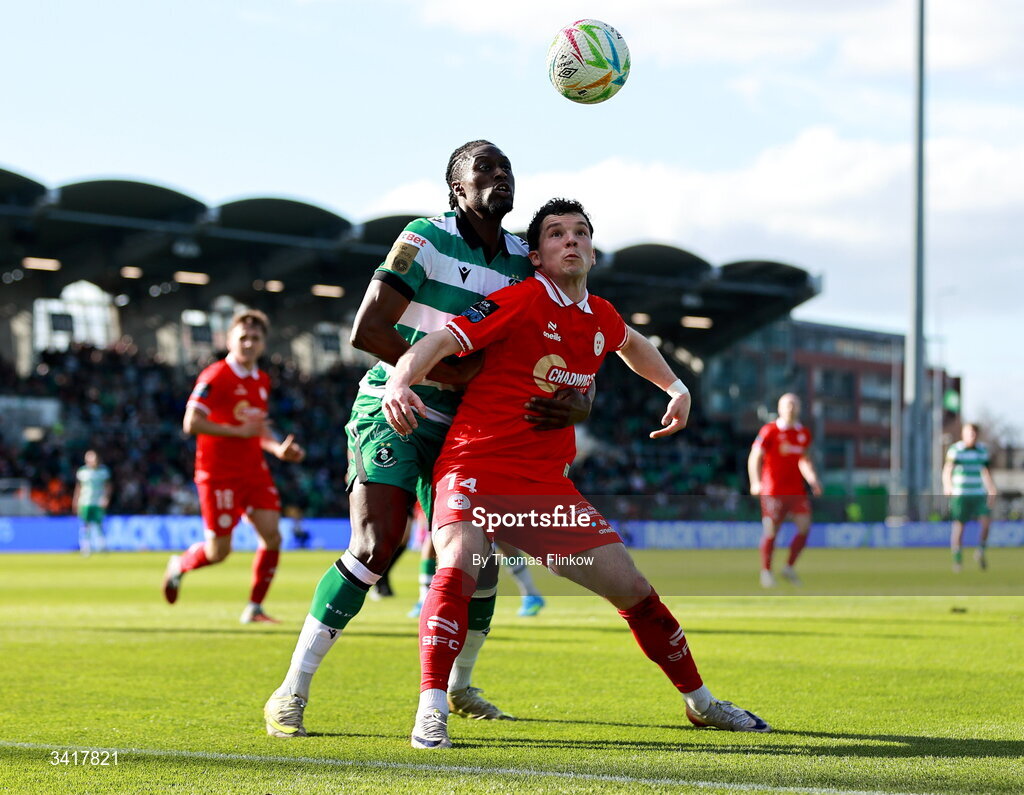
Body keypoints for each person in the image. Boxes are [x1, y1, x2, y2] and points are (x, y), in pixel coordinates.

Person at [382, 198, 770, 749]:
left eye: (581, 233)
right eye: (557, 234)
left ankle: (702, 704)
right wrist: (400, 381)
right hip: (476, 465)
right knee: (459, 565)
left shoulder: (600, 316)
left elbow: (632, 345)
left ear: (592, 249)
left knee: (634, 589)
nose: (571, 241)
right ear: (536, 257)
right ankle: (432, 707)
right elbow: (443, 340)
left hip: (544, 487)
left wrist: (677, 388)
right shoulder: (518, 299)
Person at [263, 142, 592, 738]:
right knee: (375, 544)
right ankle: (292, 690)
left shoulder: (527, 258)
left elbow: (568, 327)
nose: (500, 175)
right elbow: (368, 329)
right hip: (394, 407)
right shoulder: (425, 237)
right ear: (456, 189)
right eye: (484, 168)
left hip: (471, 430)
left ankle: (462, 686)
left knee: (482, 559)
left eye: (507, 168)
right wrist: (446, 373)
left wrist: (580, 395)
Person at [162, 309, 306, 623]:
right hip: (217, 474)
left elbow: (258, 428)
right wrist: (235, 432)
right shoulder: (215, 376)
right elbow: (191, 422)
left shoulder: (262, 380)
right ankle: (180, 565)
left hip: (254, 471)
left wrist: (277, 449)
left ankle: (254, 608)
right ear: (229, 340)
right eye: (243, 337)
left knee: (272, 536)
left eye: (255, 338)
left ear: (263, 344)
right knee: (219, 552)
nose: (249, 343)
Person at [747, 393, 822, 588]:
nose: (791, 408)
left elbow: (803, 460)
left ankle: (788, 567)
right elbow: (755, 456)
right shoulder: (769, 430)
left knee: (805, 527)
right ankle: (766, 572)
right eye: (787, 404)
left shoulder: (804, 433)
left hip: (796, 491)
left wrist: (812, 479)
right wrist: (755, 482)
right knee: (772, 530)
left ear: (799, 408)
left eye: (795, 404)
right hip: (773, 490)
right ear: (780, 408)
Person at [942, 422, 998, 572]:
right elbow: (947, 470)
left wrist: (991, 488)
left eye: (973, 434)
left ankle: (980, 551)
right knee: (960, 526)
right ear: (963, 434)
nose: (971, 436)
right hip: (960, 494)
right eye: (968, 433)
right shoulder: (956, 450)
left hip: (978, 493)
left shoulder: (982, 451)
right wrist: (947, 485)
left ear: (977, 435)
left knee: (986, 522)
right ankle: (958, 560)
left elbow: (986, 472)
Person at [73, 449, 111, 556]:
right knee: (85, 524)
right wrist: (76, 500)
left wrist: (106, 497)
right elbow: (79, 487)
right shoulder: (82, 472)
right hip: (85, 502)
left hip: (98, 501)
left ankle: (101, 545)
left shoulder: (103, 472)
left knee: (98, 524)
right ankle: (85, 547)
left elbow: (108, 486)